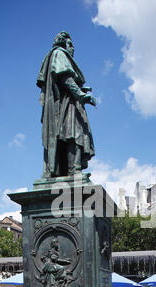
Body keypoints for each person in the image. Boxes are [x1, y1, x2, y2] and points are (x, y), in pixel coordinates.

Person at [37, 31, 96, 178]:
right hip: (67, 105)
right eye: (70, 44)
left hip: (70, 102)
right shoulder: (59, 53)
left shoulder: (63, 56)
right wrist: (81, 95)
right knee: (73, 134)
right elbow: (65, 78)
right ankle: (73, 170)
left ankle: (73, 170)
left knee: (73, 134)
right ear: (63, 44)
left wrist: (81, 90)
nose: (73, 48)